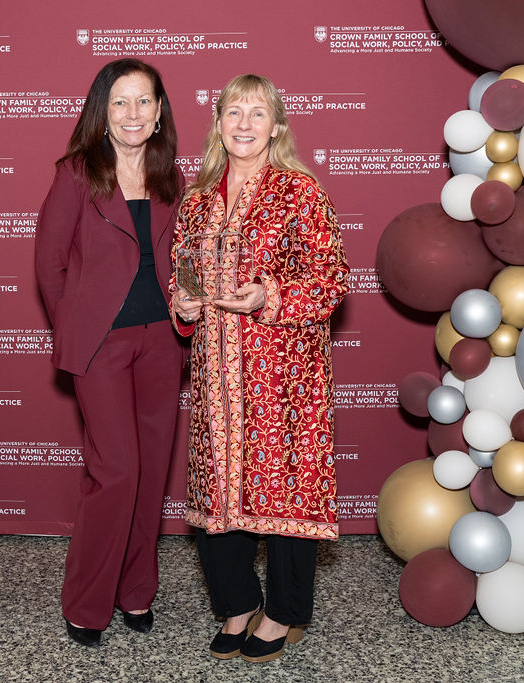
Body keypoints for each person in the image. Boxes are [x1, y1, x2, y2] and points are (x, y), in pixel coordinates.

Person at [169, 74, 349, 663]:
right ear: (217, 123)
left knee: (284, 489)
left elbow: (330, 281)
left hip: (282, 372)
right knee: (219, 494)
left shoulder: (300, 191)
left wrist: (269, 296)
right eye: (232, 113)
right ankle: (236, 603)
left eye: (257, 113)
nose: (244, 125)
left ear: (277, 125)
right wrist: (185, 303)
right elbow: (180, 273)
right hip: (216, 373)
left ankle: (285, 612)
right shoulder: (196, 199)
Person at [35, 58, 185, 647]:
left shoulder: (170, 175)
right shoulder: (77, 172)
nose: (132, 113)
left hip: (163, 341)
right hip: (102, 344)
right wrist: (78, 327)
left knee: (151, 473)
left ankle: (136, 592)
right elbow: (49, 265)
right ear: (102, 111)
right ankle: (87, 602)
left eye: (143, 101)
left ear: (158, 113)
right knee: (115, 472)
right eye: (120, 102)